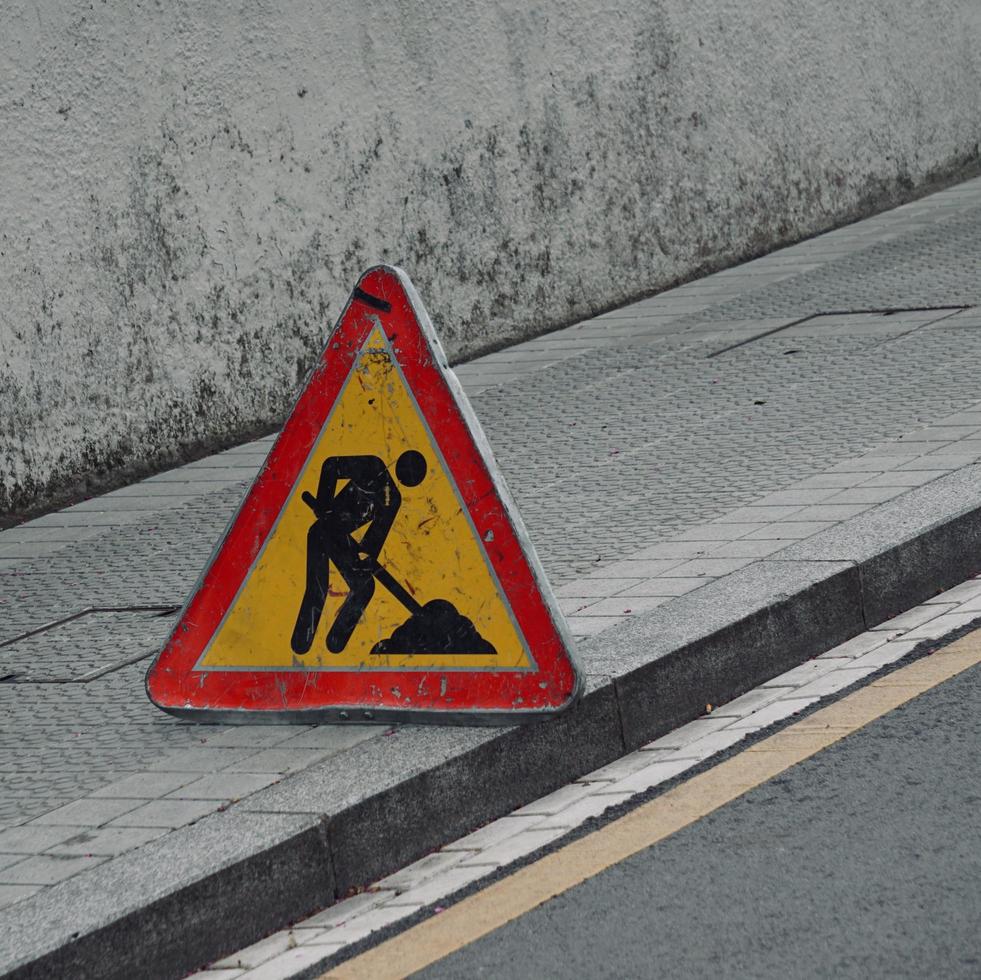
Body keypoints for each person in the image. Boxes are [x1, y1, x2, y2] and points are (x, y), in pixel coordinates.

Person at [290, 450, 427, 655]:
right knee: (317, 586)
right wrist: (325, 503)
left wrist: (365, 559)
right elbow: (331, 465)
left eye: (411, 475)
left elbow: (372, 542)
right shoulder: (372, 466)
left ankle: (335, 642)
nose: (406, 474)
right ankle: (302, 641)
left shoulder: (392, 500)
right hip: (321, 532)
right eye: (407, 470)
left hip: (339, 538)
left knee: (364, 587)